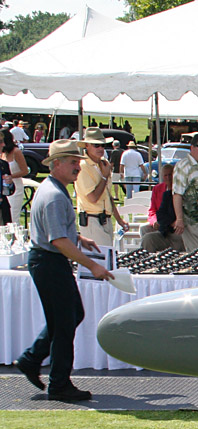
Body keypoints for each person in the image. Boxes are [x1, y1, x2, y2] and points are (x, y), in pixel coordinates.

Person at [13, 140, 113, 402]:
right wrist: (93, 265)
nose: (77, 168)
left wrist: (77, 237)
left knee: (67, 318)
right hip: (50, 262)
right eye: (72, 162)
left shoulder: (52, 189)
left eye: (78, 162)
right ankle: (57, 383)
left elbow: (57, 233)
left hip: (47, 261)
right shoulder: (55, 195)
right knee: (65, 322)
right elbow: (57, 241)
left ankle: (33, 359)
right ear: (56, 164)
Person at [75, 127, 129, 247]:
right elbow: (93, 198)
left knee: (107, 258)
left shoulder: (103, 163)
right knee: (100, 259)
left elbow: (107, 195)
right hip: (91, 219)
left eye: (102, 145)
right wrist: (104, 176)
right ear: (87, 146)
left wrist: (119, 220)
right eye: (96, 145)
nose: (100, 148)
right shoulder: (83, 166)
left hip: (106, 219)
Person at [142, 164, 185, 252]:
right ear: (162, 177)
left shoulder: (183, 191)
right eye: (166, 175)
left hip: (180, 230)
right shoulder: (162, 192)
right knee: (145, 232)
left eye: (170, 175)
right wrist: (155, 221)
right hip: (164, 226)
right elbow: (155, 211)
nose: (168, 178)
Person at [1, 128, 28, 223]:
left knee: (13, 216)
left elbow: (25, 171)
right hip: (4, 189)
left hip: (15, 188)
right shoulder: (2, 153)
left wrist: (11, 176)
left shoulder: (16, 152)